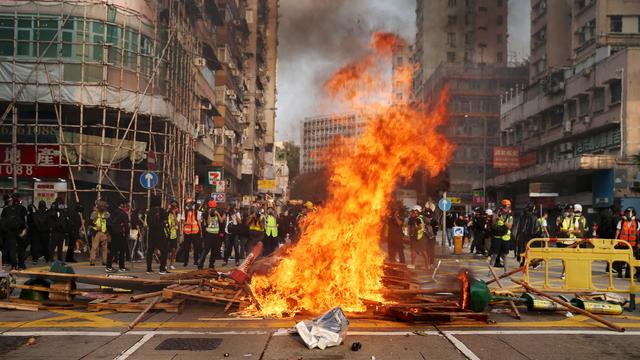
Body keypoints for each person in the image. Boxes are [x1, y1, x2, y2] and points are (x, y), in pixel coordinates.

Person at [1, 193, 28, 269]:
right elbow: (26, 221)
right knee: (21, 249)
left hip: (10, 232)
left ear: (12, 200)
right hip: (20, 231)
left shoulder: (6, 209)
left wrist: (7, 231)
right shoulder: (23, 208)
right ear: (19, 199)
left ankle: (13, 265)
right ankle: (21, 264)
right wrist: (24, 230)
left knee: (12, 249)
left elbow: (2, 222)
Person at [146, 196, 169, 274]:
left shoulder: (149, 212)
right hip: (160, 233)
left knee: (150, 251)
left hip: (151, 233)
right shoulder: (163, 211)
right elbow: (166, 223)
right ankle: (162, 269)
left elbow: (148, 222)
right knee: (164, 251)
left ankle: (149, 269)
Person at [105, 198, 130, 273]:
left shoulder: (113, 212)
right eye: (125, 204)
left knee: (113, 250)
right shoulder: (123, 213)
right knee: (122, 250)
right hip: (121, 234)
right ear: (122, 204)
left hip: (114, 233)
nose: (126, 205)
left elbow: (109, 222)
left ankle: (108, 266)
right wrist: (127, 233)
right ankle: (121, 266)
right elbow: (126, 225)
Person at [614, 207, 639, 278]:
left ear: (633, 213)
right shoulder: (621, 222)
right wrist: (616, 241)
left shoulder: (637, 222)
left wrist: (639, 243)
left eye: (630, 212)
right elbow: (618, 231)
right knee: (620, 259)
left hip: (633, 245)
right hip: (622, 244)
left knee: (631, 259)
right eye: (627, 212)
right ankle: (620, 272)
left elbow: (638, 233)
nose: (628, 214)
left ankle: (628, 273)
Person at [489, 201, 513, 274]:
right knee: (495, 255)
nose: (507, 209)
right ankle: (490, 272)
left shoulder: (510, 217)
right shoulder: (496, 215)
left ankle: (506, 272)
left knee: (505, 255)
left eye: (508, 207)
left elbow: (509, 226)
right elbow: (493, 225)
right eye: (506, 207)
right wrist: (495, 219)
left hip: (506, 238)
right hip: (497, 237)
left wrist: (502, 220)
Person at [198, 205, 222, 270]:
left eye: (214, 209)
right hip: (208, 234)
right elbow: (208, 223)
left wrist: (218, 214)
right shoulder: (206, 214)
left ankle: (211, 264)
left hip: (216, 234)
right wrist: (209, 213)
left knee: (214, 250)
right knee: (206, 250)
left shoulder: (216, 214)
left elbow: (221, 221)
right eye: (211, 209)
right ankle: (200, 264)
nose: (213, 210)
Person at [48, 197, 71, 264]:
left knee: (57, 246)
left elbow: (65, 214)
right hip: (58, 229)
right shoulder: (55, 206)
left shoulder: (61, 208)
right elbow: (52, 214)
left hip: (59, 230)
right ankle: (54, 259)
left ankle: (56, 259)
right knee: (56, 246)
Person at [407, 205, 429, 270]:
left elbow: (421, 226)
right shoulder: (419, 218)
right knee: (415, 250)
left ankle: (416, 265)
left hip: (419, 237)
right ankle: (426, 266)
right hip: (419, 237)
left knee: (422, 251)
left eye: (413, 211)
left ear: (417, 211)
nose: (412, 212)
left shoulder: (418, 218)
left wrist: (415, 229)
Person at [181, 198, 202, 267]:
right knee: (186, 247)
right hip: (187, 232)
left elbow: (199, 222)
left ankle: (195, 261)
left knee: (196, 247)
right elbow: (183, 221)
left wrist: (201, 232)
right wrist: (186, 223)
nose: (189, 205)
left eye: (191, 204)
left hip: (196, 232)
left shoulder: (197, 212)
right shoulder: (185, 212)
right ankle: (185, 261)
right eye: (188, 204)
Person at [89, 200, 110, 266]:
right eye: (102, 207)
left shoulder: (107, 214)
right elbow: (90, 223)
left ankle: (104, 261)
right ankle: (92, 261)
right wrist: (94, 226)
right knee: (94, 247)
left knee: (104, 248)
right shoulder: (94, 213)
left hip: (104, 232)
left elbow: (109, 223)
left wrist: (108, 233)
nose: (103, 208)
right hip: (96, 233)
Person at [166, 200, 180, 270]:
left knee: (174, 250)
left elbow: (177, 224)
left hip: (173, 234)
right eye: (173, 207)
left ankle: (171, 264)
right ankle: (164, 263)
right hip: (167, 234)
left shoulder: (178, 215)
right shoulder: (167, 213)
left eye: (175, 207)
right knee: (165, 250)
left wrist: (174, 214)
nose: (174, 208)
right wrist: (168, 210)